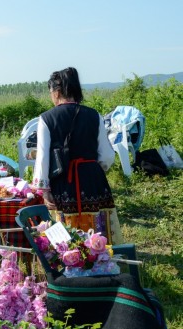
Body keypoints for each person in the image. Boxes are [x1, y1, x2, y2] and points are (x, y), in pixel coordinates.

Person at [32, 67, 123, 244]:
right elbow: (106, 155)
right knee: (97, 222)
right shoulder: (94, 115)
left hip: (63, 181)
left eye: (51, 92)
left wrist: (44, 190)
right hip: (92, 178)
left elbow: (42, 158)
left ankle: (69, 258)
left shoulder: (46, 118)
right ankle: (100, 256)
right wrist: (93, 169)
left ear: (57, 92)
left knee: (63, 225)